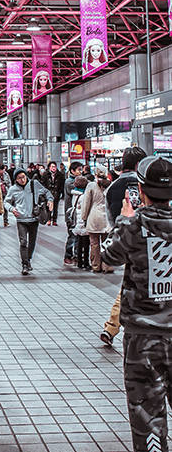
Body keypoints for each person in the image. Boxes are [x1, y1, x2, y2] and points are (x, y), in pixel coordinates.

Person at [100, 156, 172, 452]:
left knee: (148, 416)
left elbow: (108, 257)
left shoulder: (133, 226)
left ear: (141, 190)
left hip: (143, 337)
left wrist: (123, 218)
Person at [99, 146, 148, 346]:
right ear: (138, 164)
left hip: (125, 243)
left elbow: (111, 218)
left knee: (128, 284)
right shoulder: (144, 183)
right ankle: (113, 327)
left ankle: (111, 327)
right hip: (153, 242)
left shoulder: (113, 186)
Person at [4, 169, 54, 275]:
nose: (22, 180)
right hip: (21, 219)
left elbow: (47, 192)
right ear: (15, 180)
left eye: (23, 177)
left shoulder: (34, 184)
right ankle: (24, 264)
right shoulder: (13, 189)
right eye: (19, 178)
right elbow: (6, 202)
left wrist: (50, 200)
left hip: (33, 219)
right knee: (23, 242)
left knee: (32, 242)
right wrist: (12, 209)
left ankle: (28, 259)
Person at [81, 166, 113, 273]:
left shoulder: (91, 185)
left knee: (94, 243)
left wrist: (84, 217)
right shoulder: (110, 185)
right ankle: (107, 266)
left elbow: (86, 203)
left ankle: (96, 266)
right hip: (107, 218)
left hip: (94, 217)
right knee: (107, 243)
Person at [63, 161, 84, 266]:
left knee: (77, 236)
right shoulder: (69, 182)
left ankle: (76, 256)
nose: (81, 172)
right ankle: (68, 256)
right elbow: (77, 189)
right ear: (72, 171)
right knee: (72, 235)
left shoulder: (77, 180)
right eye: (79, 170)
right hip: (71, 214)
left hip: (78, 213)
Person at [72, 176, 91, 271]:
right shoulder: (83, 196)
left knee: (79, 243)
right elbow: (85, 209)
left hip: (77, 221)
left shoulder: (75, 194)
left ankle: (79, 261)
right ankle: (86, 262)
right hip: (83, 221)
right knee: (86, 243)